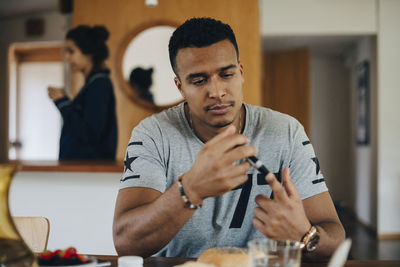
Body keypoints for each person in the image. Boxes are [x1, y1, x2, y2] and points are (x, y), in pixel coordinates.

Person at [113, 17, 345, 260]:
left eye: (226, 74)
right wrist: (189, 190)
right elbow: (125, 243)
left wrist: (305, 235)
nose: (216, 92)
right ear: (180, 87)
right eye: (199, 80)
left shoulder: (286, 131)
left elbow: (336, 241)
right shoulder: (153, 134)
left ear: (241, 72)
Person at [48, 25, 117, 160]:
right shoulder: (94, 84)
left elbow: (90, 133)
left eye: (71, 51)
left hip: (89, 170)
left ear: (88, 53)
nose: (67, 57)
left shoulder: (99, 84)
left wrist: (63, 103)